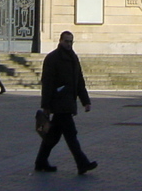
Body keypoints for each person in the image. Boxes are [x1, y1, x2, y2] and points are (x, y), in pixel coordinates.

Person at [35, 30, 97, 175]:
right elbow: (47, 83)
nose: (69, 44)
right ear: (60, 41)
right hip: (59, 104)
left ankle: (41, 162)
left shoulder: (73, 57)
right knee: (71, 135)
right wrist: (46, 105)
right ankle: (82, 163)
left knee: (53, 136)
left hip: (68, 103)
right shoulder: (52, 58)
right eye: (66, 41)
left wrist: (85, 101)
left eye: (71, 41)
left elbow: (79, 81)